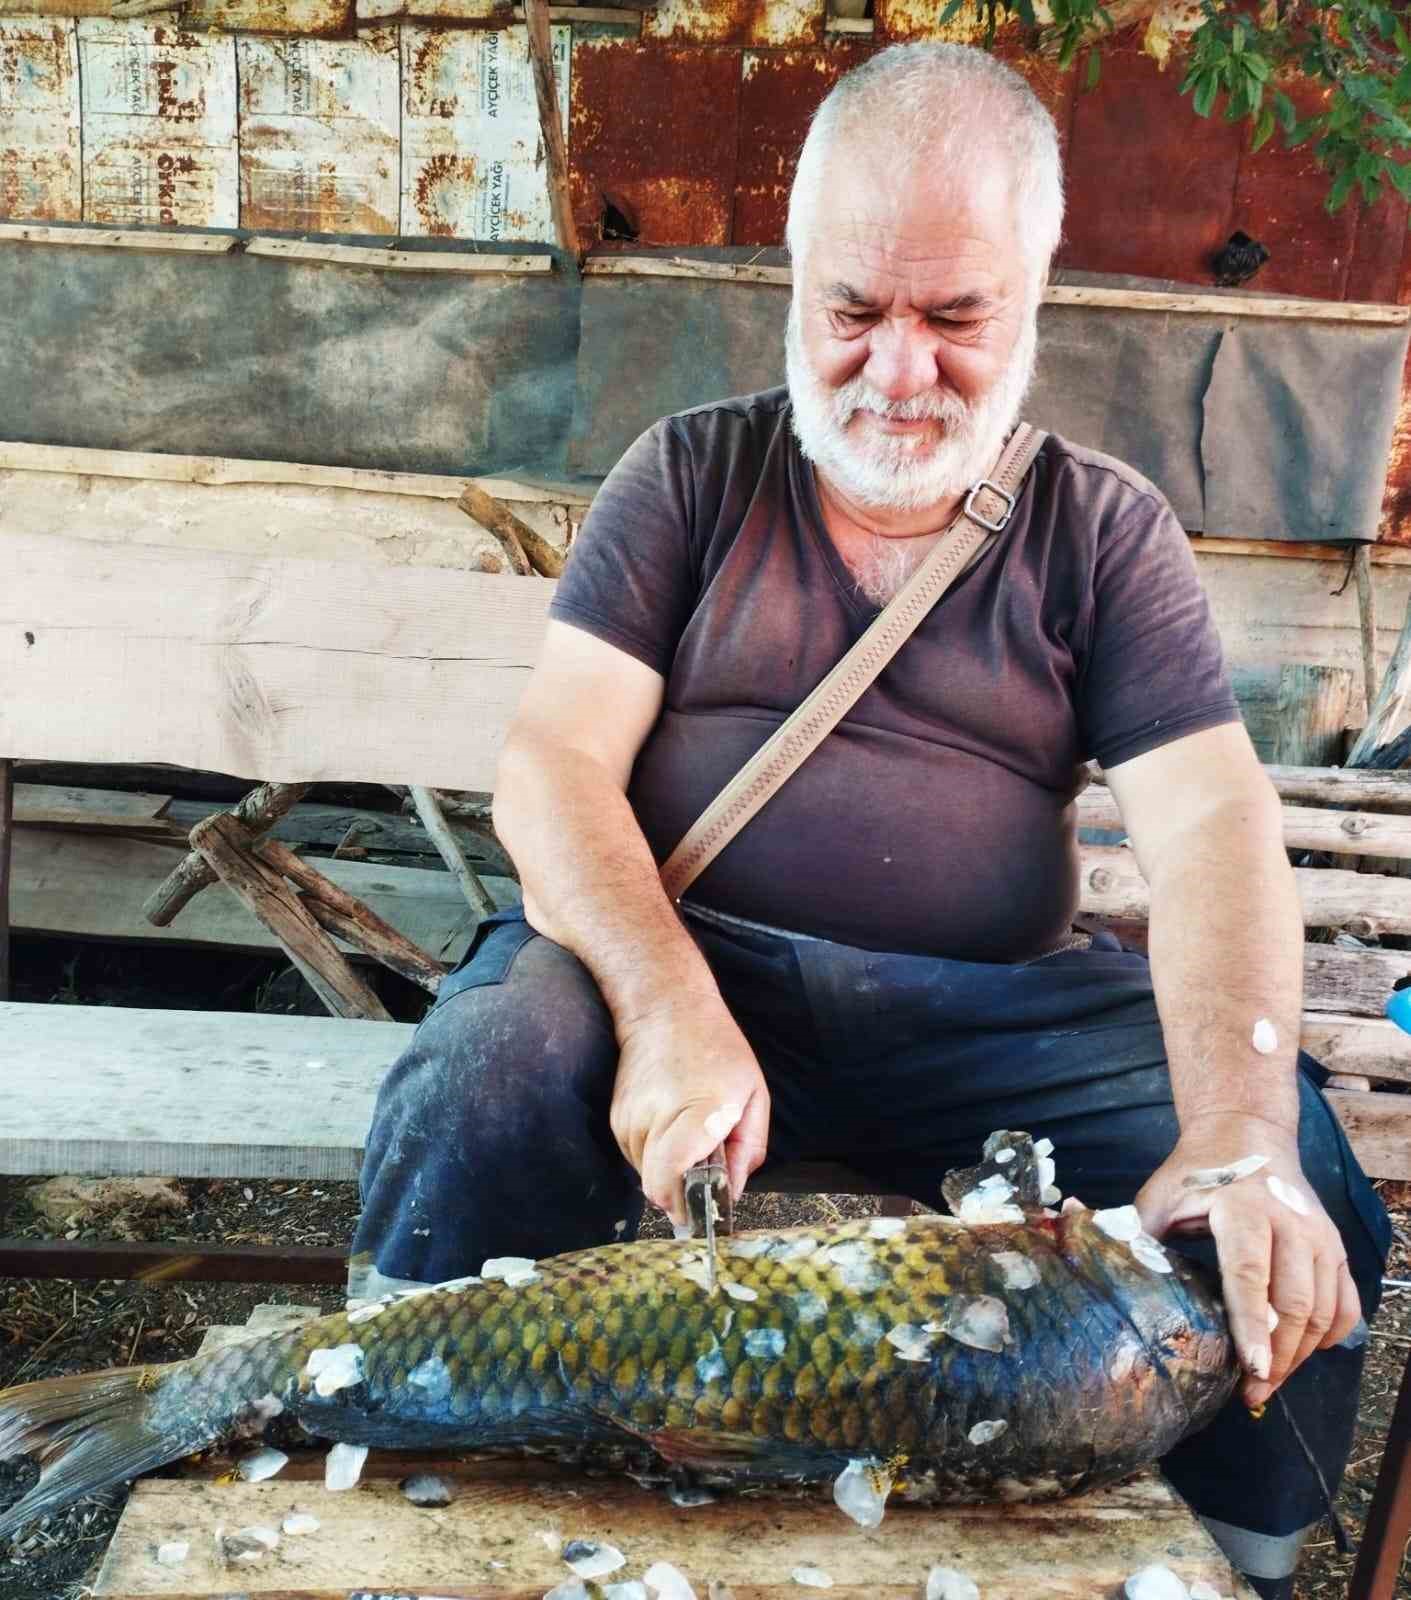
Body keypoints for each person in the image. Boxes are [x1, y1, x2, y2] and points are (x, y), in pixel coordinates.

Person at [352, 43, 1390, 1598]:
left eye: (955, 318)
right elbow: (552, 769)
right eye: (853, 311)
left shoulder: (1101, 531)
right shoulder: (691, 474)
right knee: (486, 1073)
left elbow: (1211, 830)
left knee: (1291, 1164)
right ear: (794, 277)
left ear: (1035, 289)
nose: (898, 371)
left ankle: (1234, 1567)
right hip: (678, 971)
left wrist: (1237, 1138)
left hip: (987, 1025)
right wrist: (667, 1004)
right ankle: (374, 1453)